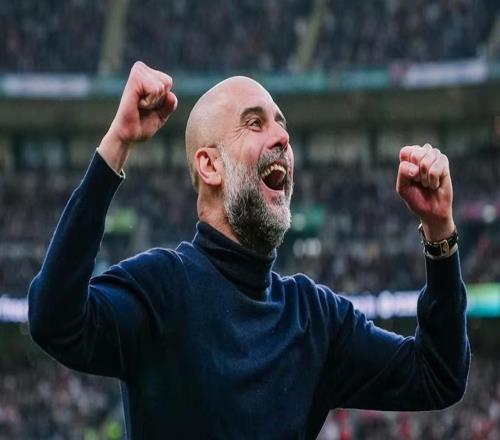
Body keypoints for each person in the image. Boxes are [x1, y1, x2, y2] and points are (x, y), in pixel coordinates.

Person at [29, 61, 470, 439]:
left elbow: (438, 377)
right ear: (210, 165)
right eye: (255, 123)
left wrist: (439, 232)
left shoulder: (313, 318)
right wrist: (117, 141)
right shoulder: (161, 289)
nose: (282, 138)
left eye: (282, 125)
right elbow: (54, 321)